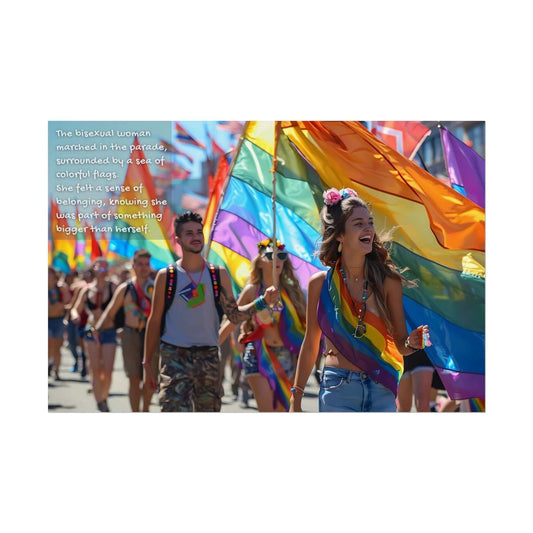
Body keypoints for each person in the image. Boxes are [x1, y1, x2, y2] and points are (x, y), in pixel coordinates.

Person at [290, 187, 430, 412]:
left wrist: (412, 343)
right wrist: (295, 398)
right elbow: (310, 343)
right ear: (340, 235)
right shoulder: (320, 284)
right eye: (358, 223)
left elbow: (401, 344)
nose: (369, 228)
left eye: (370, 222)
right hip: (337, 388)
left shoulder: (388, 282)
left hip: (381, 387)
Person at [142, 211, 279, 412]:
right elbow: (154, 322)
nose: (196, 237)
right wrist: (148, 364)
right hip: (174, 357)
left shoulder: (218, 274)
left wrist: (262, 302)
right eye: (189, 233)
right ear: (178, 239)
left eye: (199, 232)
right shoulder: (167, 276)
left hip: (208, 358)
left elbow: (233, 315)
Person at [219, 238, 306, 412]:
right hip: (257, 353)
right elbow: (234, 318)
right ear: (259, 263)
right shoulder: (252, 290)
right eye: (270, 256)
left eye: (281, 255)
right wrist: (231, 342)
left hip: (287, 356)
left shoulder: (292, 291)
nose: (277, 260)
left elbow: (304, 324)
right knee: (267, 411)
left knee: (283, 412)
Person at [94, 249, 158, 412]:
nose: (144, 268)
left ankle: (146, 410)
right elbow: (110, 310)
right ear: (133, 265)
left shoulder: (156, 286)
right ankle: (136, 412)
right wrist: (98, 328)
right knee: (134, 378)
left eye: (146, 264)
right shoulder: (125, 288)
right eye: (140, 264)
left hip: (152, 337)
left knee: (149, 378)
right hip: (130, 335)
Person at [71, 257, 117, 412]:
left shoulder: (113, 287)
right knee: (95, 368)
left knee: (108, 371)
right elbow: (75, 308)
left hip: (109, 331)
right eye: (100, 268)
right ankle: (100, 402)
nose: (103, 271)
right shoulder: (86, 289)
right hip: (91, 332)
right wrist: (75, 315)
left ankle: (103, 396)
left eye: (106, 268)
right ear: (94, 269)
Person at [48, 266, 71, 380]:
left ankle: (56, 369)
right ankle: (49, 363)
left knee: (57, 347)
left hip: (58, 320)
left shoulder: (61, 288)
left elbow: (69, 304)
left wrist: (60, 307)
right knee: (48, 342)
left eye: (50, 273)